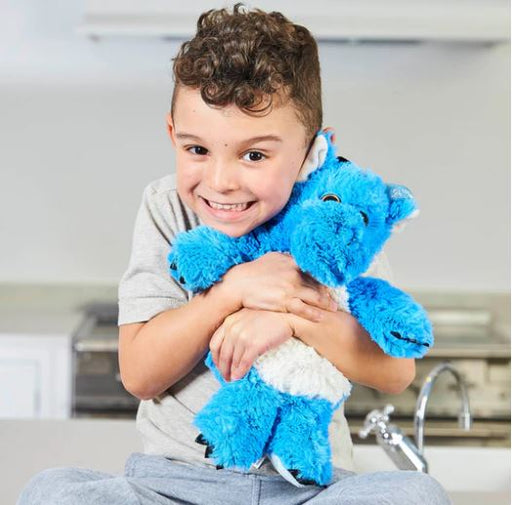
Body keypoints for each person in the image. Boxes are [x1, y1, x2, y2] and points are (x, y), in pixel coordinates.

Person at [17, 4, 451, 504]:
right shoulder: (165, 206)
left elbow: (394, 372)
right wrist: (234, 292)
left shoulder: (336, 215)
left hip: (307, 491)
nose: (221, 181)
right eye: (197, 149)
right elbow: (139, 373)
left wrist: (290, 318)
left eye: (254, 155)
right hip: (171, 486)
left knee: (414, 494)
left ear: (315, 152)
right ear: (172, 135)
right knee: (52, 491)